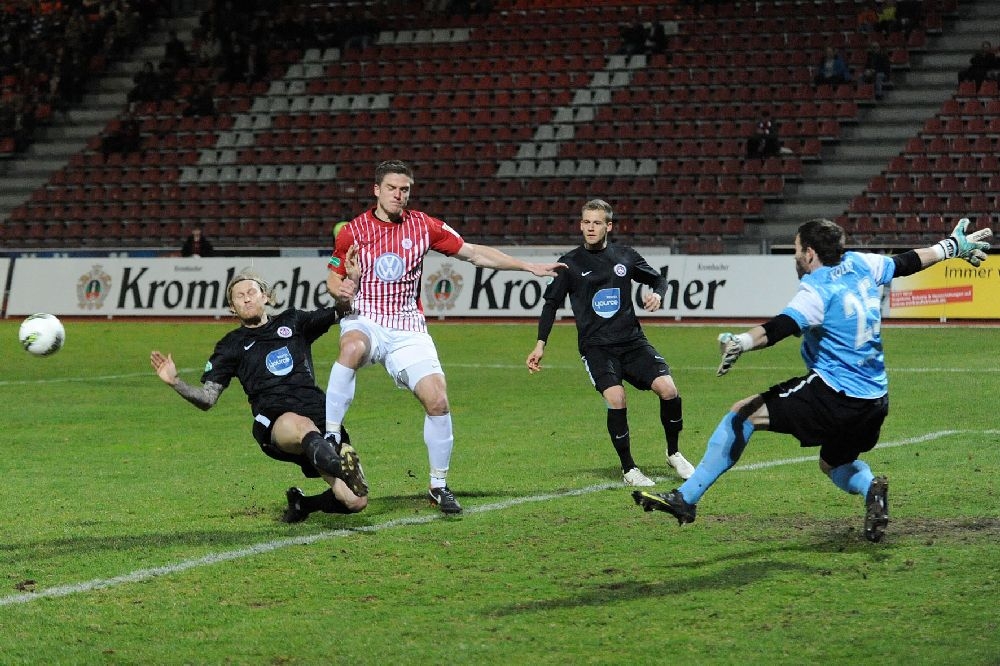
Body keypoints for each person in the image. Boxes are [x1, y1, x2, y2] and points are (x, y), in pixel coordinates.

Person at [634, 217, 992, 542]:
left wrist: (741, 342)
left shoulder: (816, 289)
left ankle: (686, 499)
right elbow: (908, 262)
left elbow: (780, 328)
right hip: (875, 401)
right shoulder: (862, 263)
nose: (794, 257)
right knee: (832, 463)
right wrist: (952, 247)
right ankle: (871, 489)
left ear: (809, 253)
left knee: (743, 413)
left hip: (835, 395)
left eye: (795, 249)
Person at [324, 159, 566, 514]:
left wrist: (527, 265)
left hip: (407, 326)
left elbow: (474, 253)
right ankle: (331, 436)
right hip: (366, 318)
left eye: (404, 189)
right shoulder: (353, 231)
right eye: (391, 188)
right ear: (376, 190)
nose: (398, 195)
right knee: (352, 347)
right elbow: (333, 278)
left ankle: (438, 484)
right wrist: (344, 290)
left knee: (437, 401)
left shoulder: (424, 225)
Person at [150, 266, 370, 523]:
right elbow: (207, 398)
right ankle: (338, 465)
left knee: (355, 500)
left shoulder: (294, 321)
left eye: (251, 291)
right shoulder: (230, 345)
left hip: (321, 416)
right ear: (232, 308)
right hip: (276, 421)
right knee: (301, 425)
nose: (246, 297)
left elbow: (342, 311)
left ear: (265, 296)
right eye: (239, 296)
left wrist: (351, 282)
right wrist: (175, 382)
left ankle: (303, 504)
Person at [526, 199, 695, 486]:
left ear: (609, 226)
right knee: (616, 398)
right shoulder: (569, 264)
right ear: (580, 225)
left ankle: (674, 452)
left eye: (597, 223)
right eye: (586, 222)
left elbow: (659, 280)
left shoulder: (625, 256)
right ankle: (629, 469)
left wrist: (658, 294)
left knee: (669, 390)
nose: (590, 228)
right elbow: (550, 305)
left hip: (632, 342)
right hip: (597, 347)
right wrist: (540, 344)